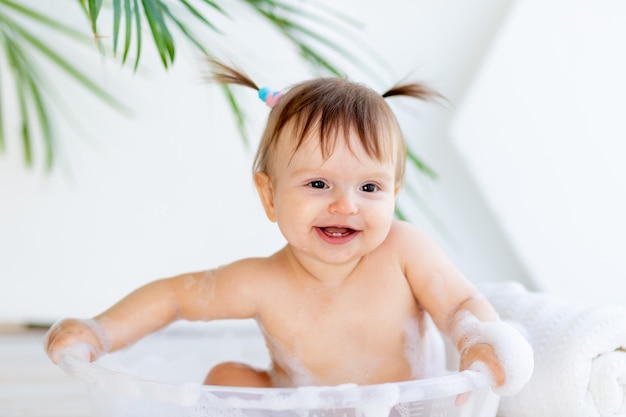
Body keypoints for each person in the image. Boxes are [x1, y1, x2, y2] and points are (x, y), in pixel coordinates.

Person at [44, 60, 533, 396]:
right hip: (299, 404)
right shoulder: (262, 282)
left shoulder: (405, 251)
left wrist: (480, 339)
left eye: (370, 188)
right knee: (227, 380)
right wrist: (97, 331)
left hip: (405, 406)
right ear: (270, 196)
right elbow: (175, 296)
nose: (345, 204)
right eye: (319, 183)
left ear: (395, 194)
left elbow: (460, 304)